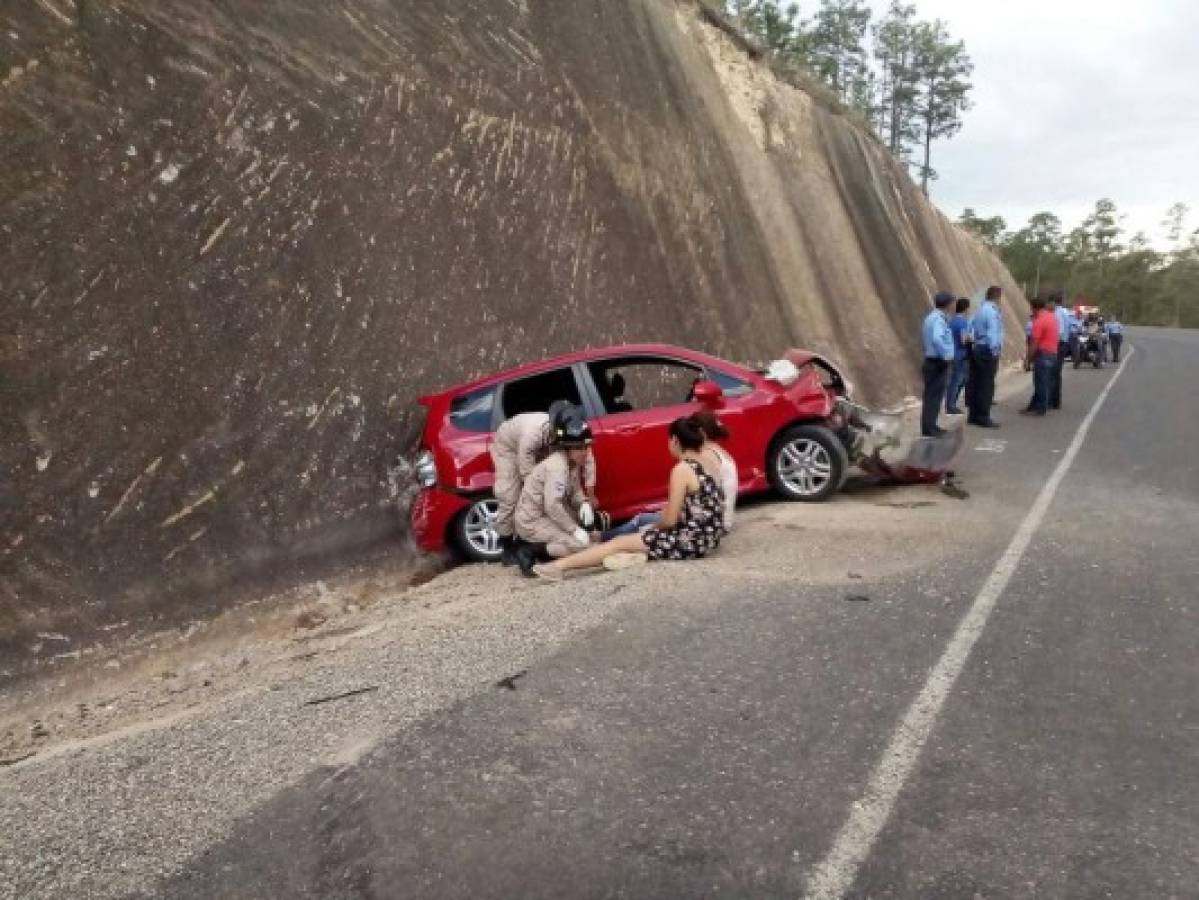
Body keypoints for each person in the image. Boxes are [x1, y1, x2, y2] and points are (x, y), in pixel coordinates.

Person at [531, 416, 724, 580]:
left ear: (674, 440)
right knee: (631, 539)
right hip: (708, 537)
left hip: (690, 541)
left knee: (618, 542)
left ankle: (558, 567)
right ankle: (635, 551)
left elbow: (670, 520)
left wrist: (652, 528)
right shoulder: (708, 461)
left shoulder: (682, 469)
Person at [601, 410, 738, 539]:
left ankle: (601, 537)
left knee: (641, 520)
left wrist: (654, 526)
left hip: (711, 525)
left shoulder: (704, 456)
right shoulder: (718, 452)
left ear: (701, 433)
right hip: (717, 522)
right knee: (654, 516)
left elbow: (673, 519)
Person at [490, 402, 597, 565]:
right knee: (510, 496)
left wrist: (584, 502)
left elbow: (582, 466)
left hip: (540, 449)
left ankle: (533, 535)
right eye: (580, 448)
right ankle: (508, 546)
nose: (583, 451)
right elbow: (529, 474)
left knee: (553, 485)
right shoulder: (534, 433)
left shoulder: (571, 438)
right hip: (510, 447)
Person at [967, 285, 1004, 428]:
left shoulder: (980, 310)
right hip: (987, 350)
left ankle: (973, 415)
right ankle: (983, 416)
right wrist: (994, 350)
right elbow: (993, 333)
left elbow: (971, 327)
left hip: (977, 348)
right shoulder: (993, 312)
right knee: (986, 385)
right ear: (997, 296)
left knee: (975, 382)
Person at [920, 291, 956, 437]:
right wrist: (946, 355)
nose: (954, 305)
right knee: (933, 397)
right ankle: (929, 429)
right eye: (952, 302)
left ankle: (930, 425)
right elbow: (937, 339)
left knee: (931, 396)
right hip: (937, 362)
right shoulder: (939, 319)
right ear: (947, 304)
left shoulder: (931, 317)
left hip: (931, 361)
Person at [1022, 295, 1059, 416]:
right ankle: (1034, 405)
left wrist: (1028, 360)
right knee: (1045, 380)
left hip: (1043, 353)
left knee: (1040, 382)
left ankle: (1041, 408)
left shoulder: (1038, 321)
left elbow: (1034, 343)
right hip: (1053, 352)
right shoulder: (1052, 317)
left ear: (1034, 308)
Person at [945, 297, 972, 415]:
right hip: (960, 355)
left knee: (957, 379)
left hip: (953, 352)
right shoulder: (962, 322)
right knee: (957, 380)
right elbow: (963, 339)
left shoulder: (952, 320)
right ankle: (951, 405)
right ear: (966, 308)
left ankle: (951, 403)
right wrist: (972, 339)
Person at [1047, 291, 1071, 409]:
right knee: (1056, 373)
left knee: (1053, 373)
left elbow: (1059, 331)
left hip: (1058, 344)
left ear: (1052, 302)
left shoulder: (1058, 313)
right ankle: (1055, 400)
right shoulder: (1065, 312)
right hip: (1063, 344)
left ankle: (1053, 400)